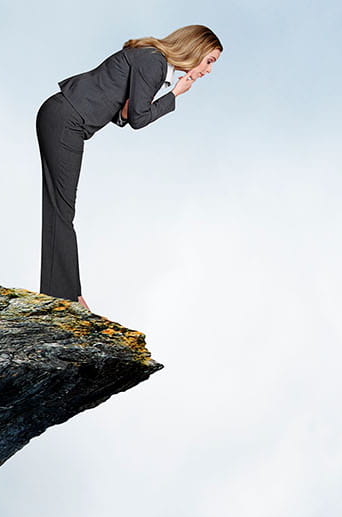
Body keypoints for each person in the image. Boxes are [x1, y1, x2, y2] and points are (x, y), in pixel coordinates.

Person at [37, 25, 223, 311]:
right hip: (66, 120)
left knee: (60, 209)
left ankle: (67, 293)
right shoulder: (154, 62)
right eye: (209, 61)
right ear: (194, 50)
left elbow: (124, 113)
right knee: (61, 210)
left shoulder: (153, 61)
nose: (209, 71)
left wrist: (144, 104)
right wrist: (175, 95)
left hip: (64, 118)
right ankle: (63, 296)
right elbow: (138, 118)